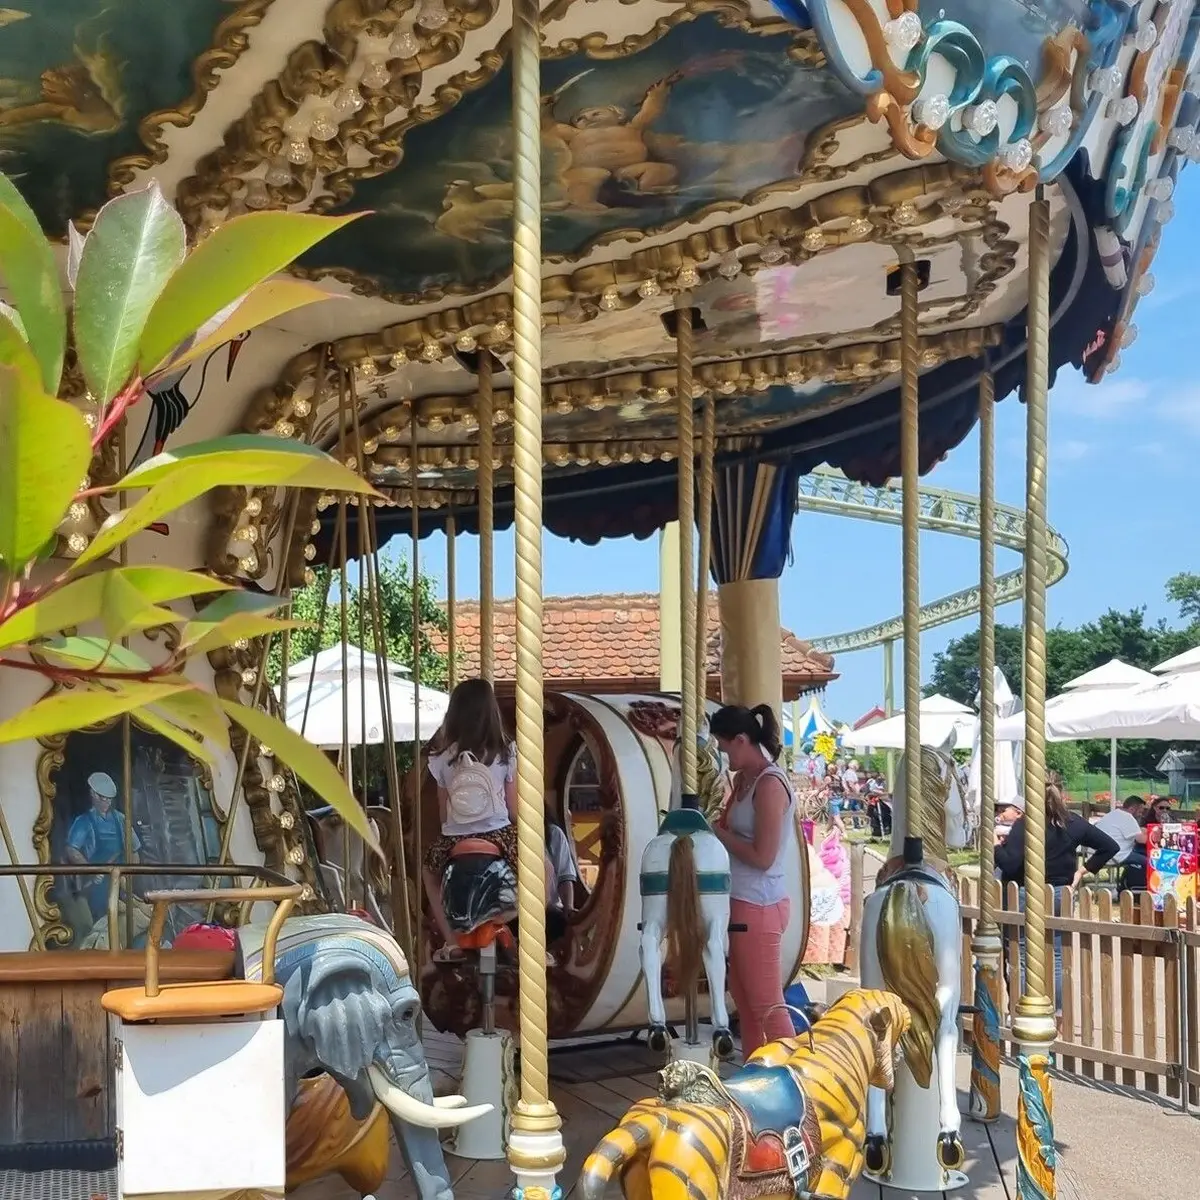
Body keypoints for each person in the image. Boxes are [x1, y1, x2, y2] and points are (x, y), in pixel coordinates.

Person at [422, 678, 554, 961]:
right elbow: (513, 807)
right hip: (498, 834)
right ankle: (532, 944)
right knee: (542, 869)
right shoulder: (505, 753)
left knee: (428, 873)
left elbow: (444, 812)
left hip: (455, 840)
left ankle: (451, 941)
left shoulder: (442, 757)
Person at [709, 703, 799, 1058]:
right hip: (739, 900)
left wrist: (717, 835)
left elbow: (764, 856)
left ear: (742, 740)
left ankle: (798, 1082)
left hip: (759, 902)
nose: (722, 753)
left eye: (725, 745)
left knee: (767, 1006)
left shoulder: (770, 785)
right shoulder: (743, 781)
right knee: (745, 1004)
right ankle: (756, 1075)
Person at [994, 783, 1120, 1019]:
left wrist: (995, 847)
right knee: (1057, 954)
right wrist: (1082, 871)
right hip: (1060, 891)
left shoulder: (1027, 824)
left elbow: (1010, 863)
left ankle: (1022, 1008)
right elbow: (1109, 846)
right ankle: (1057, 1011)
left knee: (1021, 953)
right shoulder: (1072, 823)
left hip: (1025, 891)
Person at [65, 771, 141, 922]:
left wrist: (129, 876)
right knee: (102, 923)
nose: (106, 802)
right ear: (93, 795)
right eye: (102, 797)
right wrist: (91, 870)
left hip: (120, 881)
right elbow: (71, 850)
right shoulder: (83, 821)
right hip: (96, 886)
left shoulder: (121, 820)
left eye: (109, 799)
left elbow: (134, 850)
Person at [1094, 796, 1148, 886]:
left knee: (1138, 854)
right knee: (1149, 862)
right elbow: (1142, 840)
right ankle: (1136, 887)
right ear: (1131, 809)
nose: (1141, 815)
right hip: (1115, 855)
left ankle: (1124, 885)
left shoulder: (1114, 814)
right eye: (1140, 812)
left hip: (1096, 853)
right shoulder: (1128, 817)